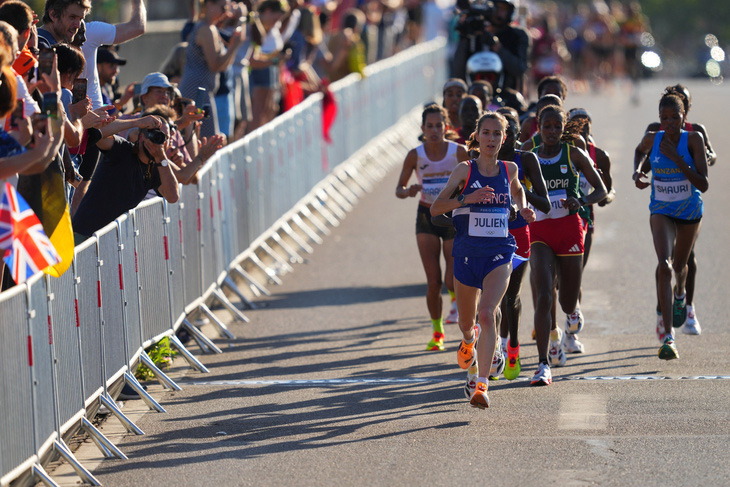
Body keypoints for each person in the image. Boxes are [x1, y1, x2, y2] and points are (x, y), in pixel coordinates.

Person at [431, 111, 535, 409]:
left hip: (499, 252)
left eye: (497, 134)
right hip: (466, 253)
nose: (491, 139)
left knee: (487, 314)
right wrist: (467, 200)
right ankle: (467, 341)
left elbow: (518, 192)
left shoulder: (510, 169)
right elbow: (437, 208)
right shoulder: (464, 170)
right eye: (486, 133)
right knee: (467, 323)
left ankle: (482, 385)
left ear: (504, 138)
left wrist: (524, 208)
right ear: (476, 136)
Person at [529, 104, 606, 385]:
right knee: (543, 294)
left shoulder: (574, 154)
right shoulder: (530, 157)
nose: (551, 131)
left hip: (570, 231)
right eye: (546, 126)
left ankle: (573, 311)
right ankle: (542, 364)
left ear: (564, 129)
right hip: (539, 231)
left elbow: (601, 190)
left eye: (556, 127)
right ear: (538, 127)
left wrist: (581, 201)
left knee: (565, 301)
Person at [632, 93, 708, 360]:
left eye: (674, 117)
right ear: (659, 118)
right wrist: (637, 172)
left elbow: (703, 184)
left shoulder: (694, 139)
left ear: (683, 116)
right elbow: (640, 152)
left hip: (689, 211)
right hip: (661, 209)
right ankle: (668, 337)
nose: (669, 123)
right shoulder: (654, 137)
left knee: (679, 266)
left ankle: (680, 293)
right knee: (663, 265)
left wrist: (677, 159)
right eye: (664, 118)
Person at [395, 104, 468, 350]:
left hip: (450, 216)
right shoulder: (415, 155)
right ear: (423, 129)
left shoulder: (459, 152)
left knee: (451, 278)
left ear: (447, 127)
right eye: (430, 126)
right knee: (433, 280)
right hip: (426, 216)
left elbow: (474, 179)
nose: (435, 130)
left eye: (439, 125)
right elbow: (399, 189)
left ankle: (456, 301)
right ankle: (437, 332)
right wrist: (409, 191)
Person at [491, 109, 549, 383]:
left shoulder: (525, 159)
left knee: (510, 296)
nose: (506, 140)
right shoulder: (479, 162)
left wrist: (520, 204)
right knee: (491, 299)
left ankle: (512, 344)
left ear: (517, 136)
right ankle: (497, 349)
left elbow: (545, 202)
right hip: (488, 236)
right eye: (502, 135)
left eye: (511, 134)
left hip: (518, 236)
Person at [71, 105, 180, 240]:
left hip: (111, 244)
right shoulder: (122, 150)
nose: (160, 142)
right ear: (141, 137)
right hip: (85, 237)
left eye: (165, 138)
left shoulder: (157, 168)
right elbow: (98, 133)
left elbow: (173, 196)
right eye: (156, 135)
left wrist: (162, 157)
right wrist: (136, 123)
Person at [179, 0, 247, 138]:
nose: (226, 11)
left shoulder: (211, 28)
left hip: (202, 89)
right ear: (210, 4)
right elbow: (215, 65)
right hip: (196, 91)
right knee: (207, 139)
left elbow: (222, 66)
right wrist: (234, 47)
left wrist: (234, 44)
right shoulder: (206, 29)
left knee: (204, 138)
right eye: (223, 7)